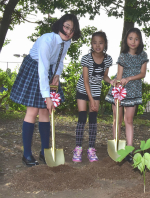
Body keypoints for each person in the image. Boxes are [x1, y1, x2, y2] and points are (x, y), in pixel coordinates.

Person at [10, 14, 81, 166]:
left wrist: (57, 75)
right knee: (33, 111)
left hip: (48, 70)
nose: (68, 32)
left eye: (72, 30)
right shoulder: (47, 40)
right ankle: (27, 154)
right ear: (60, 25)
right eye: (66, 27)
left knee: (45, 112)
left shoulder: (66, 42)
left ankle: (44, 152)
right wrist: (47, 96)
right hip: (34, 68)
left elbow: (60, 60)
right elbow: (42, 67)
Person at [105, 28, 148, 162]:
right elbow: (119, 75)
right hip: (120, 90)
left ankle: (129, 149)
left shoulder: (143, 56)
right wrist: (118, 85)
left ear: (140, 41)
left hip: (133, 90)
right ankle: (116, 147)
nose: (133, 41)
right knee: (117, 120)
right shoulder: (122, 55)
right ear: (126, 40)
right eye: (130, 38)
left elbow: (142, 74)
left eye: (136, 39)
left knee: (128, 120)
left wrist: (129, 79)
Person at [72, 31, 114, 163]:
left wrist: (111, 81)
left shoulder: (108, 59)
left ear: (105, 44)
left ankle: (91, 149)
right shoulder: (86, 58)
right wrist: (91, 100)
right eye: (95, 42)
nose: (97, 45)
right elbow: (85, 80)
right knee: (82, 117)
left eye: (100, 43)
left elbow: (105, 76)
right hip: (83, 89)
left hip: (96, 90)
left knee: (93, 120)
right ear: (91, 44)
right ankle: (78, 148)